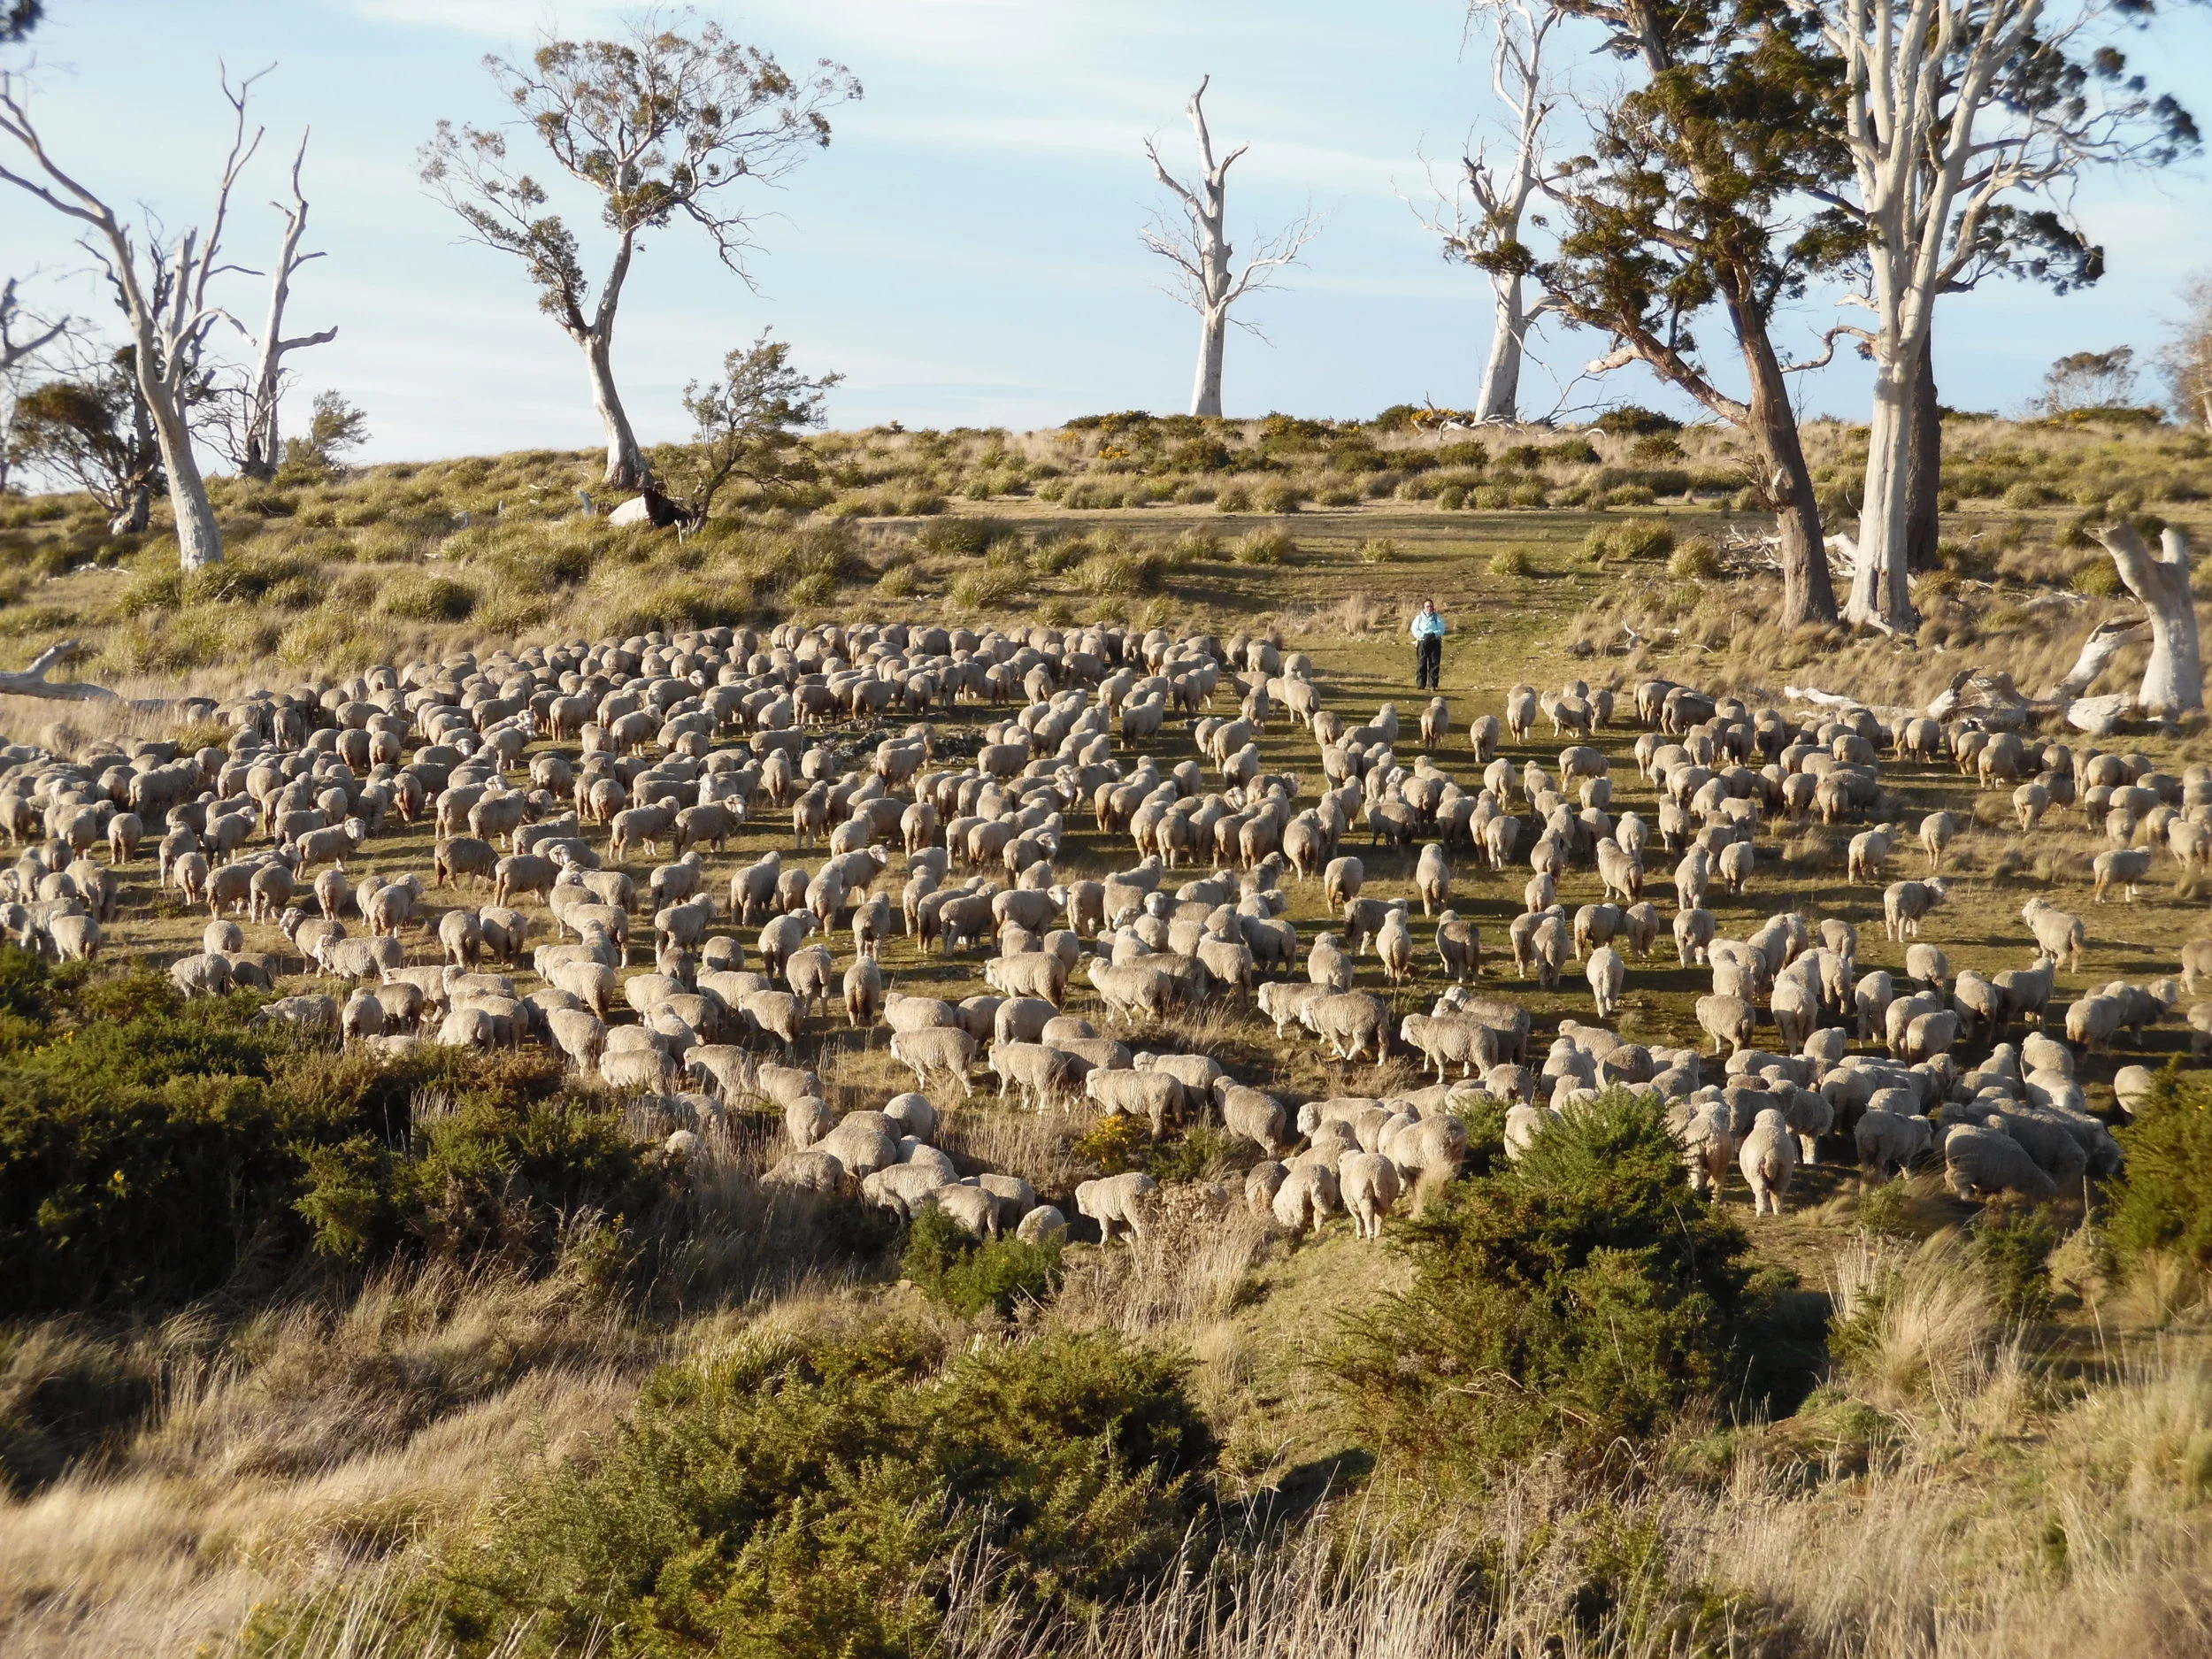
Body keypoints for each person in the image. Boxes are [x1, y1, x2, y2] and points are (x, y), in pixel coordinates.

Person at [1409, 598, 1447, 690]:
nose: (1429, 608)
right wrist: (1423, 635)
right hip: (1422, 642)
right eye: (1427, 606)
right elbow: (1414, 629)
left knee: (1434, 663)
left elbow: (1442, 628)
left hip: (1435, 642)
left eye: (1431, 606)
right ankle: (1421, 684)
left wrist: (1434, 634)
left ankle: (1433, 685)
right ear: (1424, 607)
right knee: (1421, 663)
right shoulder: (1419, 618)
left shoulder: (1437, 617)